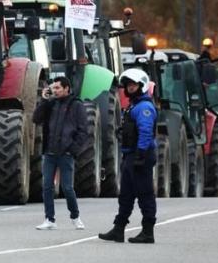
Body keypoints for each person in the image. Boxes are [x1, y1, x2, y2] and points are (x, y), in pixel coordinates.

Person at [99, 68, 158, 244]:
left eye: (134, 85)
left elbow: (146, 132)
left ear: (142, 85)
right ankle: (118, 229)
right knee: (126, 195)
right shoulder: (133, 106)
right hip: (131, 156)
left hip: (141, 156)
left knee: (145, 195)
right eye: (128, 85)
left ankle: (148, 232)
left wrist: (140, 154)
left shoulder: (144, 107)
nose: (130, 87)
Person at [32, 76, 88, 230]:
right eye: (53, 88)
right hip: (50, 153)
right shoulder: (51, 104)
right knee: (47, 186)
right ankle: (49, 219)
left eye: (58, 88)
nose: (55, 91)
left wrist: (72, 150)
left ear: (66, 88)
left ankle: (75, 217)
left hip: (66, 154)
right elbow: (36, 119)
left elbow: (84, 131)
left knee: (67, 187)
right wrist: (44, 101)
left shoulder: (76, 105)